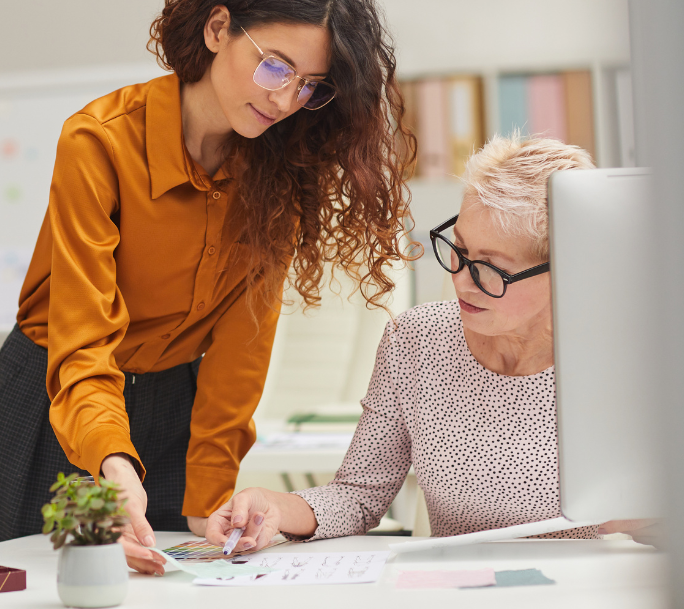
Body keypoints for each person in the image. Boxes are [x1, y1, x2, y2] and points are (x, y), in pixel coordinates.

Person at [0, 0, 414, 573]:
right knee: (29, 586)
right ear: (218, 27)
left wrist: (208, 499)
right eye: (275, 67)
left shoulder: (280, 175)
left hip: (176, 404)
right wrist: (113, 464)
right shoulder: (100, 143)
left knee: (175, 583)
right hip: (55, 399)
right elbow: (83, 338)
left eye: (309, 85)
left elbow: (240, 350)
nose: (285, 100)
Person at [206, 134, 605, 550]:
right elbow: (357, 497)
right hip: (457, 589)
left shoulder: (622, 362)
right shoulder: (415, 341)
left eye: (491, 268)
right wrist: (271, 506)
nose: (461, 280)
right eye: (459, 248)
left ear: (565, 267)